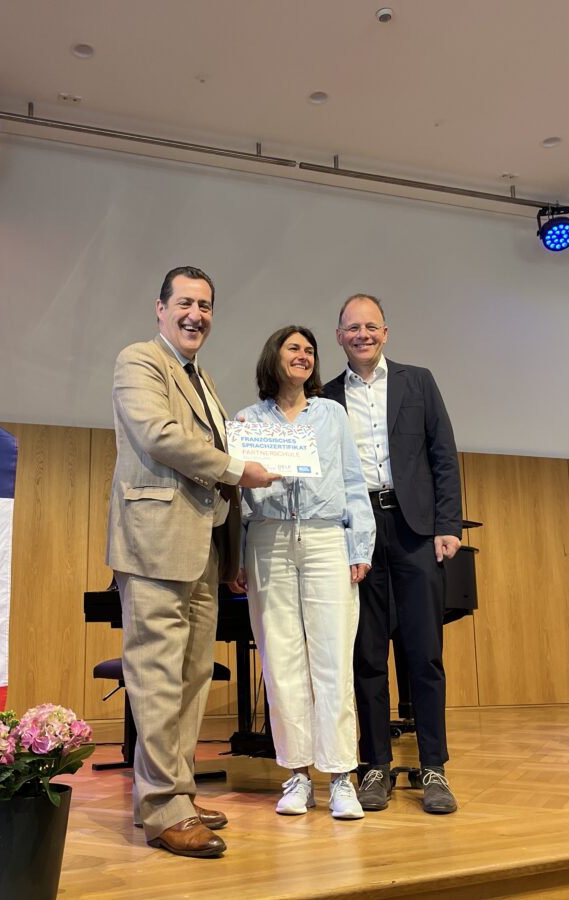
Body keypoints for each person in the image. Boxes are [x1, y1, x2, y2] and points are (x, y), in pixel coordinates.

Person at [106, 265, 280, 859]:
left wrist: (232, 545)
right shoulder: (140, 361)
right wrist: (236, 466)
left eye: (205, 306)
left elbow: (215, 460)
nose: (195, 315)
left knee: (190, 678)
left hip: (203, 548)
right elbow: (158, 436)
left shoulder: (202, 380)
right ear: (160, 308)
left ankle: (175, 793)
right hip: (155, 545)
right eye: (184, 303)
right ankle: (162, 810)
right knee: (157, 678)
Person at [322, 294, 463, 815]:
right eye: (352, 328)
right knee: (366, 655)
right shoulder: (325, 396)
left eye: (371, 326)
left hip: (415, 530)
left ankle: (434, 767)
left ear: (385, 332)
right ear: (339, 335)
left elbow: (442, 454)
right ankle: (375, 765)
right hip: (356, 532)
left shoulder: (417, 382)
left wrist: (448, 524)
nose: (362, 335)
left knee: (424, 653)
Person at [231, 326, 375, 820]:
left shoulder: (331, 414)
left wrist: (360, 544)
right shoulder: (247, 420)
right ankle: (296, 775)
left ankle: (341, 777)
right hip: (267, 539)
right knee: (280, 661)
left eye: (310, 350)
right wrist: (237, 556)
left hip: (324, 537)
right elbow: (239, 498)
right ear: (273, 356)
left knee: (333, 659)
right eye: (294, 348)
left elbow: (353, 481)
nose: (304, 355)